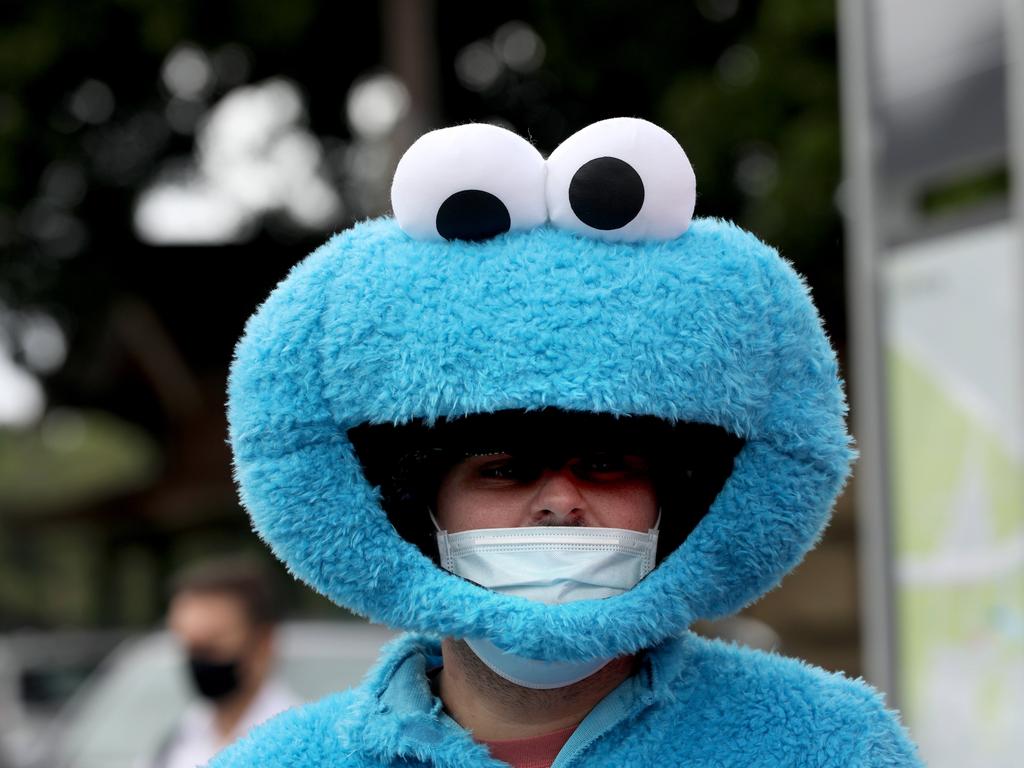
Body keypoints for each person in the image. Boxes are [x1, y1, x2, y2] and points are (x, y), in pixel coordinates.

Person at [213, 118, 921, 766]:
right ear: (422, 515)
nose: (560, 502)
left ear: (668, 504)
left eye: (606, 466)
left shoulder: (827, 744)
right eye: (506, 471)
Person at [149, 557, 298, 768]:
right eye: (189, 646)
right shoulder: (178, 739)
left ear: (264, 642)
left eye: (213, 644)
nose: (198, 661)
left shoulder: (299, 744)